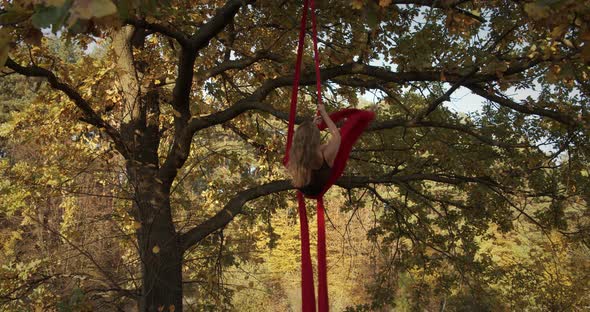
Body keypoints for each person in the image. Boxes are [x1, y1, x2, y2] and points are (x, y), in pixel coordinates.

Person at [286, 103, 344, 197]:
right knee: (329, 148)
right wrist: (324, 113)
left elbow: (306, 141)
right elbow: (336, 136)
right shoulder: (326, 156)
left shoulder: (295, 156)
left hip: (304, 188)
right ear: (316, 139)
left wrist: (312, 127)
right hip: (318, 188)